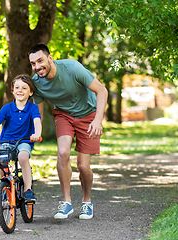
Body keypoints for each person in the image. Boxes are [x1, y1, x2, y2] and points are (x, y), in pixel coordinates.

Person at [28, 44, 108, 219]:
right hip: (64, 115)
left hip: (88, 115)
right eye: (33, 63)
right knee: (63, 152)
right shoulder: (37, 83)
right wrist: (32, 133)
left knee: (83, 165)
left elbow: (102, 90)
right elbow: (38, 114)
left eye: (40, 61)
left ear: (50, 58)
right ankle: (66, 202)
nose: (37, 67)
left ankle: (86, 202)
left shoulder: (72, 68)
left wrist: (98, 120)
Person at [0, 74, 42, 203]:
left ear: (31, 92)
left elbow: (37, 122)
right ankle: (5, 184)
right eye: (17, 87)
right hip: (6, 141)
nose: (20, 90)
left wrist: (37, 134)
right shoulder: (7, 108)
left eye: (24, 88)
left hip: (24, 141)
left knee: (23, 157)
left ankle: (28, 190)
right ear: (12, 91)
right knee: (1, 161)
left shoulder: (33, 108)